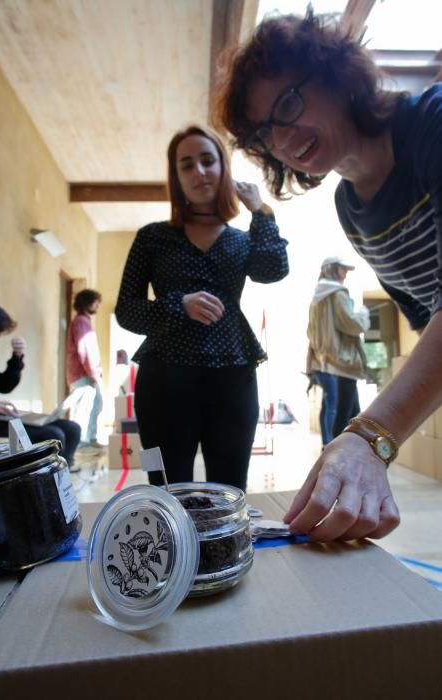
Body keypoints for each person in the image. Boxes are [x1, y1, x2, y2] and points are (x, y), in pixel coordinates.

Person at [216, 8, 442, 541]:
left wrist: (372, 436)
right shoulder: (351, 208)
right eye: (267, 133)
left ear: (337, 77)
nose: (285, 137)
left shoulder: (432, 120)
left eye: (289, 104)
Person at [115, 124, 288, 491]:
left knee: (229, 488)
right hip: (164, 377)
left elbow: (272, 270)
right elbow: (127, 310)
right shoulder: (152, 237)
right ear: (176, 177)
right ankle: (172, 551)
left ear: (223, 168)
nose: (199, 172)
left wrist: (261, 212)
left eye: (208, 161)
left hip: (233, 372)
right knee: (165, 487)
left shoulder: (241, 240)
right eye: (187, 164)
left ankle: (223, 551)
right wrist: (179, 305)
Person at [0, 300, 81, 471]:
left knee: (72, 428)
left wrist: (17, 359)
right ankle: (45, 481)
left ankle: (62, 479)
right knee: (53, 435)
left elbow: (3, 385)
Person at [306, 256, 370, 446]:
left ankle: (340, 450)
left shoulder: (317, 297)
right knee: (345, 413)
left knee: (346, 409)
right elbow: (351, 323)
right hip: (344, 359)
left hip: (328, 359)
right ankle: (337, 454)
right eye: (343, 269)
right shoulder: (337, 293)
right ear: (333, 269)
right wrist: (363, 315)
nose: (346, 274)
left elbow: (310, 331)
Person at [66, 288, 104, 449]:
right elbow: (84, 350)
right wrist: (93, 373)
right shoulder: (81, 321)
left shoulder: (84, 321)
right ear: (87, 303)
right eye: (96, 302)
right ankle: (80, 444)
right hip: (83, 375)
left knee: (96, 405)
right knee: (82, 410)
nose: (97, 306)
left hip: (88, 374)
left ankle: (90, 440)